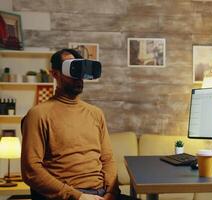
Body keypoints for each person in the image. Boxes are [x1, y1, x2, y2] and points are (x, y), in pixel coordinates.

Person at [21, 49, 133, 200]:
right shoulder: (38, 114)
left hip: (104, 194)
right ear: (55, 74)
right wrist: (78, 196)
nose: (78, 76)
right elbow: (31, 170)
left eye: (81, 70)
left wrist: (111, 193)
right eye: (72, 69)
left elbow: (107, 159)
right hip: (70, 195)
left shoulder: (95, 113)